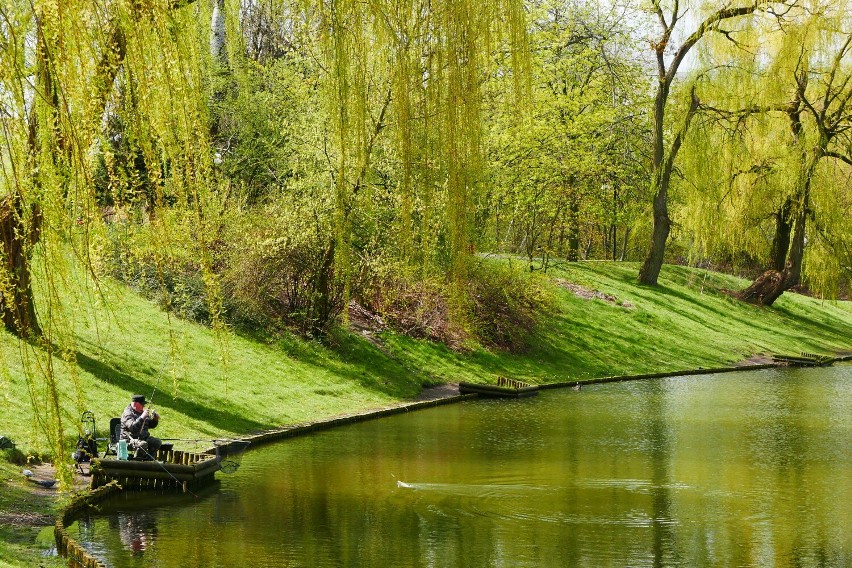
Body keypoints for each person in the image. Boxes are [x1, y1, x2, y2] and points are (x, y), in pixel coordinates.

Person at [120, 394, 162, 459]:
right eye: (142, 405)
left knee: (156, 442)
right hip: (129, 439)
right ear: (136, 404)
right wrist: (142, 417)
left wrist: (155, 419)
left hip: (143, 438)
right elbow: (132, 427)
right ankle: (137, 461)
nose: (144, 406)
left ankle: (149, 460)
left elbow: (150, 425)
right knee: (143, 444)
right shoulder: (127, 413)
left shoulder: (141, 412)